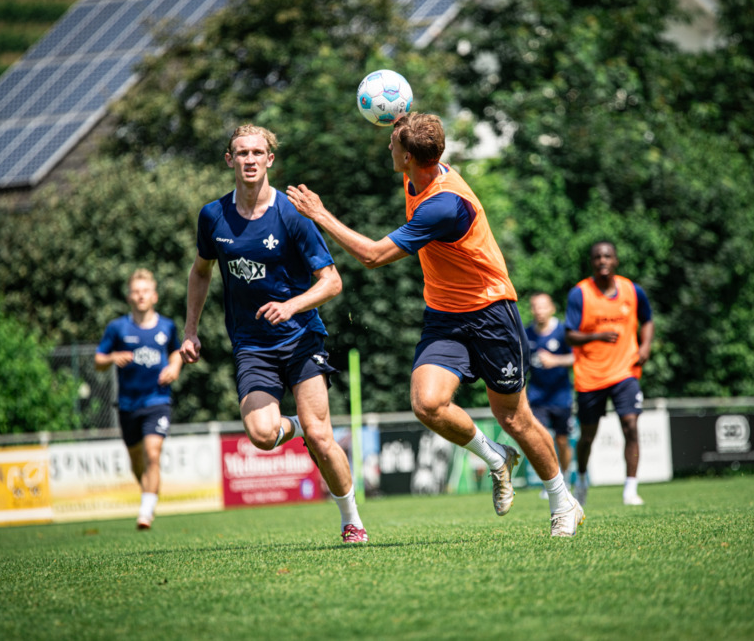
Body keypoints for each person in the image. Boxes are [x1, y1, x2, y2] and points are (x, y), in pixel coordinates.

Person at [287, 112, 584, 537]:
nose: (388, 147)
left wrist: (319, 213)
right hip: (445, 315)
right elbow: (414, 135)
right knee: (427, 404)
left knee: (513, 417)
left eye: (393, 144)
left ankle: (562, 502)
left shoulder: (444, 205)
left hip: (490, 312)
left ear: (408, 156)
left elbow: (372, 256)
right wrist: (401, 118)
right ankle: (496, 457)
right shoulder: (417, 171)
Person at [180, 124, 367, 544]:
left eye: (257, 152)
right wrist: (190, 330)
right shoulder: (213, 216)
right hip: (252, 346)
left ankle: (351, 520)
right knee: (262, 435)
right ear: (230, 160)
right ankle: (300, 425)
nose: (249, 159)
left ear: (270, 159)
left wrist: (292, 306)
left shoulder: (291, 214)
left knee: (322, 438)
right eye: (241, 152)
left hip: (301, 339)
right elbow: (200, 271)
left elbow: (332, 282)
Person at [564, 240, 654, 507]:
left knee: (631, 426)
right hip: (590, 375)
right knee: (587, 436)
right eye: (597, 257)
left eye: (607, 256)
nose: (602, 260)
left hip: (625, 371)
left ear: (616, 260)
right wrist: (597, 336)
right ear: (592, 262)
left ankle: (630, 489)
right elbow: (569, 335)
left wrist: (645, 346)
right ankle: (581, 479)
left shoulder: (632, 290)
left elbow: (648, 320)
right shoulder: (580, 294)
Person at [95, 269, 183, 530]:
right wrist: (113, 357)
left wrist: (175, 366)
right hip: (127, 405)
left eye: (145, 291)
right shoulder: (117, 328)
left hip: (158, 401)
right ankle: (149, 493)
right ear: (129, 297)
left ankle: (145, 511)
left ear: (154, 296)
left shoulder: (167, 326)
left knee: (152, 454)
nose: (141, 295)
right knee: (137, 461)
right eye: (136, 291)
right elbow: (98, 360)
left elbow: (176, 351)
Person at [525, 292, 575, 496]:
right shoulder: (527, 334)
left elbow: (577, 358)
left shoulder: (563, 331)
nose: (539, 311)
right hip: (537, 397)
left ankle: (565, 478)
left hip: (561, 396)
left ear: (552, 308)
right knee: (541, 440)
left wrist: (556, 361)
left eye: (543, 306)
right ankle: (551, 484)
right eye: (536, 307)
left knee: (562, 441)